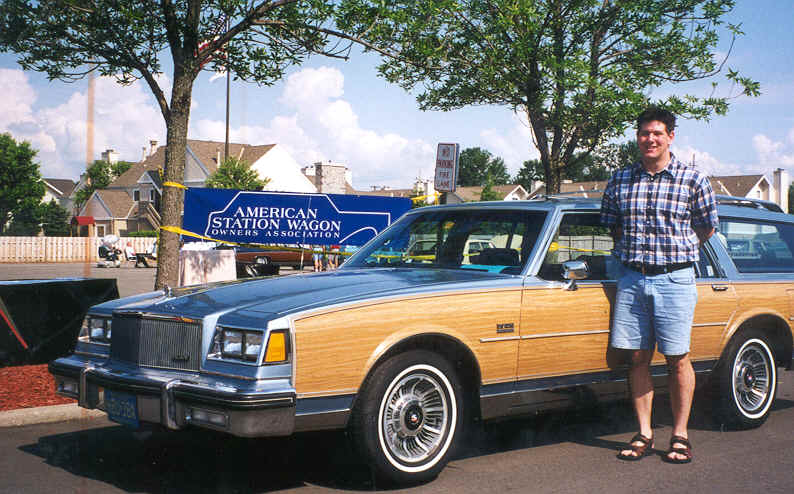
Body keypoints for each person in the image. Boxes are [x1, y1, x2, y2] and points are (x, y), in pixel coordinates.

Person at [600, 107, 718, 464]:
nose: (649, 139)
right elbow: (613, 226)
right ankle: (644, 433)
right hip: (633, 278)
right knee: (637, 357)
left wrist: (674, 255)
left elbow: (706, 228)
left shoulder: (693, 179)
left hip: (675, 278)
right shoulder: (620, 179)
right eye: (643, 133)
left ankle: (680, 435)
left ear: (670, 136)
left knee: (678, 358)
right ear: (637, 137)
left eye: (657, 133)